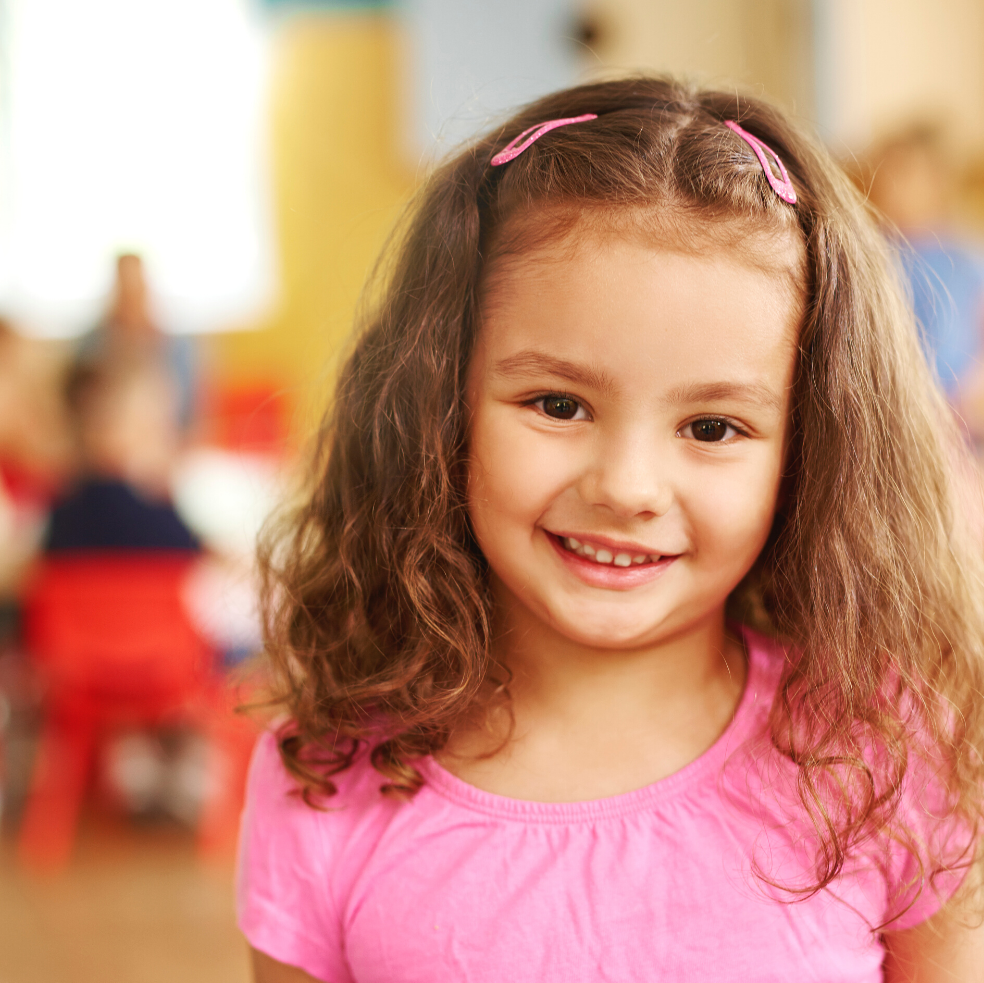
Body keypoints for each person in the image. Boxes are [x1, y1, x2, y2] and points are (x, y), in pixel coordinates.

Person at [238, 78, 984, 981]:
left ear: (811, 453)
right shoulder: (326, 775)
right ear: (442, 403)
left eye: (712, 427)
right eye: (558, 404)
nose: (627, 487)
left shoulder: (888, 753)